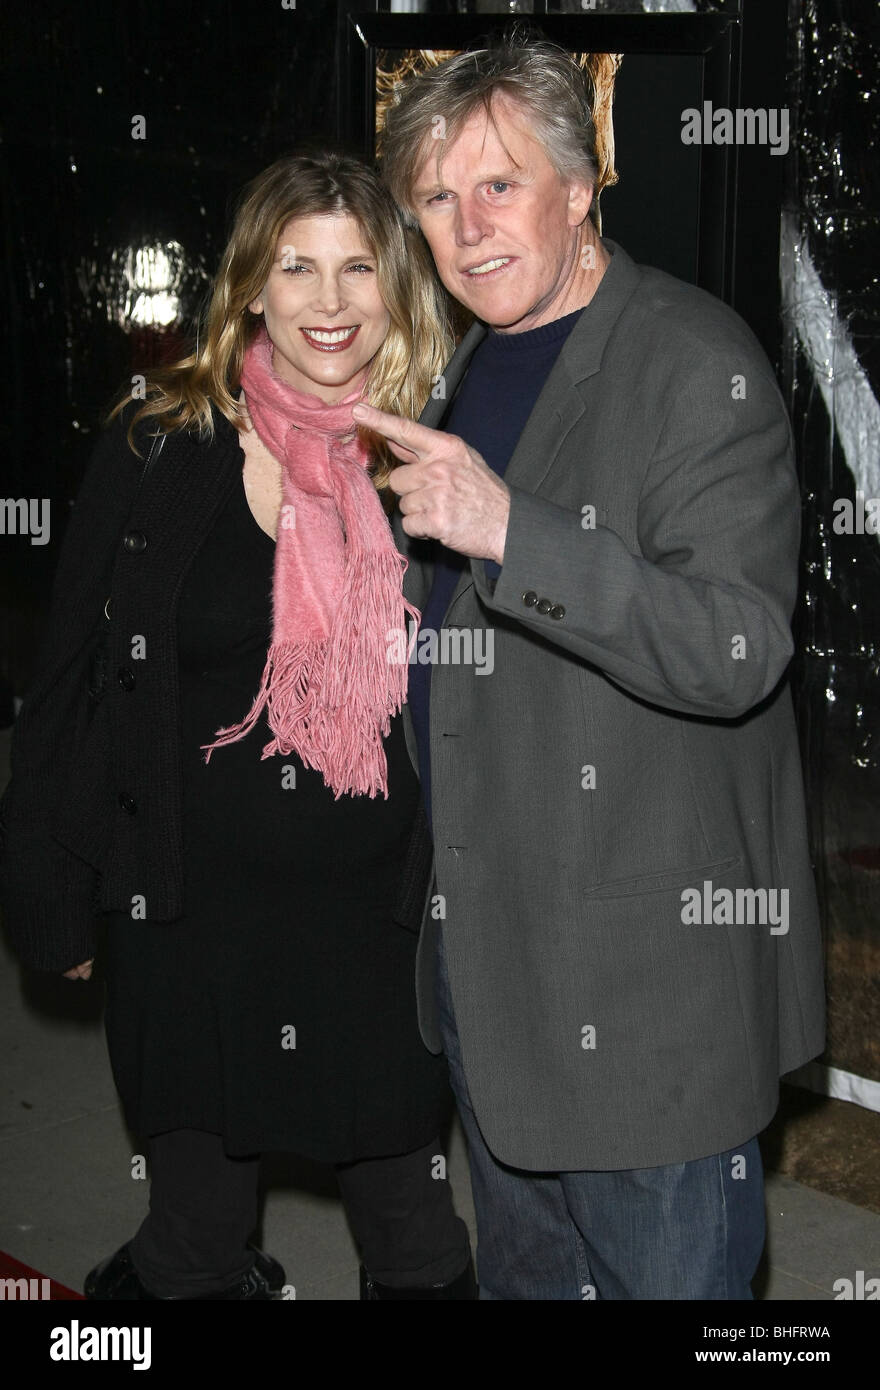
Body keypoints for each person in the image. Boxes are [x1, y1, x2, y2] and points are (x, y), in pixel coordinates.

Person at [352, 34, 827, 1299]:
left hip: (644, 995)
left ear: (579, 188)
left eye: (498, 185)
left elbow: (737, 646)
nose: (466, 227)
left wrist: (511, 528)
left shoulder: (695, 361)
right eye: (436, 198)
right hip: (493, 970)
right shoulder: (462, 362)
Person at [0, 151, 476, 1301]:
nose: (328, 300)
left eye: (356, 267)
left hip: (378, 925)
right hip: (188, 917)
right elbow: (68, 679)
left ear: (396, 284)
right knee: (191, 1239)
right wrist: (51, 885)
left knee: (414, 1236)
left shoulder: (439, 451)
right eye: (296, 266)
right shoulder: (157, 440)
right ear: (250, 286)